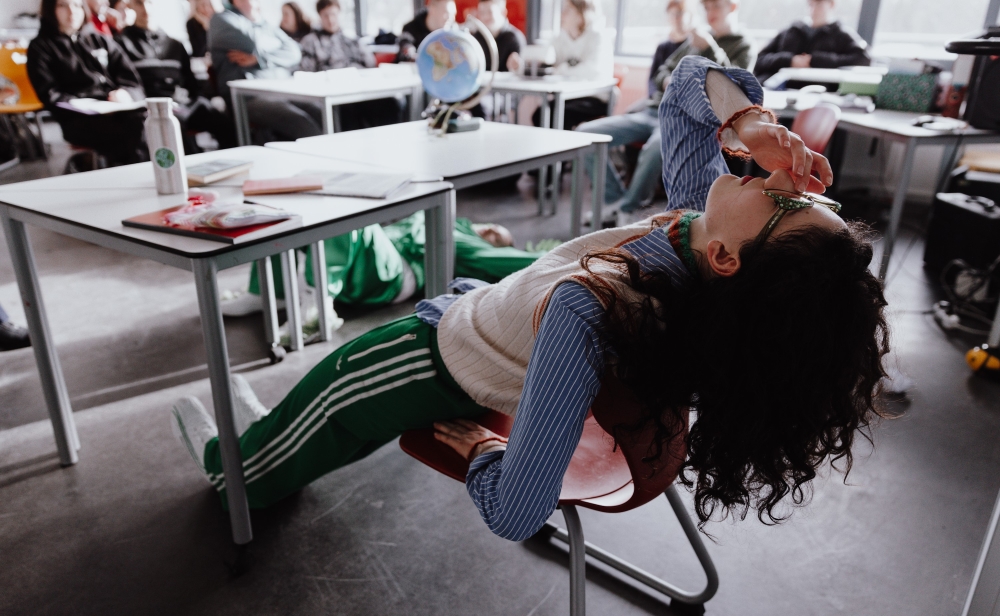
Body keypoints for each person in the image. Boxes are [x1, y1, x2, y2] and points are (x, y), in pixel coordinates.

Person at [171, 55, 889, 546]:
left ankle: (230, 457)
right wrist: (748, 121)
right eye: (808, 194)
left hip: (431, 361)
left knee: (289, 437)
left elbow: (516, 512)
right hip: (485, 313)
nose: (785, 177)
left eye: (788, 202)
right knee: (344, 401)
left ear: (731, 258)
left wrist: (487, 450)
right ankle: (273, 430)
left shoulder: (592, 307)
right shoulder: (702, 248)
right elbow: (685, 86)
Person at [221, 213, 547, 317]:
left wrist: (567, 256)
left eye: (497, 238)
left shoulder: (465, 244)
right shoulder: (451, 219)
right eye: (495, 228)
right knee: (293, 216)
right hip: (366, 259)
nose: (491, 232)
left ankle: (316, 303)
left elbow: (511, 261)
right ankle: (269, 293)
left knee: (349, 218)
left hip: (394, 272)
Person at [576, 0, 693, 220]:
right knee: (585, 133)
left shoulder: (697, 46)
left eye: (680, 13)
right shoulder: (663, 47)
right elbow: (653, 82)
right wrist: (662, 90)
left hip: (675, 118)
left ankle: (628, 208)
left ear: (690, 16)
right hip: (650, 111)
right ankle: (614, 200)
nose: (676, 18)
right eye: (672, 14)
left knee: (655, 149)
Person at [28, 0, 148, 166]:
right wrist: (88, 105)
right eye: (63, 6)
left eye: (77, 5)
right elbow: (50, 95)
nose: (72, 12)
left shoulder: (100, 40)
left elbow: (133, 81)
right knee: (134, 128)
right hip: (79, 120)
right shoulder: (40, 48)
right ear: (50, 9)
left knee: (154, 119)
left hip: (119, 109)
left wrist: (126, 93)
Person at [116, 0, 237, 149]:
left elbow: (191, 83)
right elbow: (128, 84)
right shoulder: (121, 44)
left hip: (183, 104)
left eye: (150, 2)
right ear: (131, 6)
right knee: (177, 134)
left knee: (225, 124)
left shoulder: (175, 44)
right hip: (152, 109)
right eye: (139, 3)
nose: (146, 9)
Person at [209, 0, 322, 142]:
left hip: (279, 91)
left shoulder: (261, 21)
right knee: (302, 123)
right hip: (248, 97)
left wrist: (259, 58)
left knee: (321, 112)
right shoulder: (222, 19)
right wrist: (275, 46)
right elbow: (252, 45)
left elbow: (294, 52)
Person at [297, 0, 401, 129]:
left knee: (389, 103)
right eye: (326, 15)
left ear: (339, 14)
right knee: (348, 111)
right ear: (320, 16)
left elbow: (370, 63)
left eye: (333, 14)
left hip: (360, 88)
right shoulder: (311, 41)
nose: (330, 19)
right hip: (334, 93)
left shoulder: (351, 39)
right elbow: (306, 72)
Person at [527, 0, 614, 130]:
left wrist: (561, 69)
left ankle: (562, 143)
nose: (562, 14)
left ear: (581, 14)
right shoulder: (562, 37)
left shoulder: (598, 37)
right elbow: (548, 60)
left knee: (562, 115)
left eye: (567, 10)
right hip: (568, 96)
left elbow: (591, 71)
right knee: (540, 114)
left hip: (595, 98)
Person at [753, 0, 871, 83]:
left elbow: (863, 58)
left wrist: (815, 60)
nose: (813, 10)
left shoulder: (842, 35)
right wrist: (789, 60)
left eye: (819, 4)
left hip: (818, 92)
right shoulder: (791, 31)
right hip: (774, 88)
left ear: (831, 4)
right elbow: (759, 60)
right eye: (811, 4)